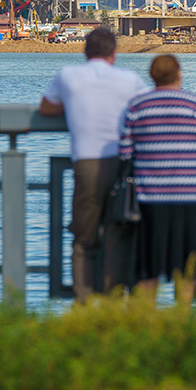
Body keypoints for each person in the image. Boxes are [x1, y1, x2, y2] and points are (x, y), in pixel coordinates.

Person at [40, 27, 147, 300]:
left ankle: (84, 298)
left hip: (86, 163)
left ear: (84, 51)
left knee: (84, 235)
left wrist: (73, 105)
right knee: (117, 232)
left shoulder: (68, 76)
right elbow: (145, 108)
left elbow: (46, 108)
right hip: (123, 164)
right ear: (115, 53)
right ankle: (114, 298)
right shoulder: (130, 80)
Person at [119, 55, 196, 301]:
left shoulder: (137, 105)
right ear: (179, 75)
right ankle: (181, 322)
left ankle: (147, 324)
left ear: (152, 77)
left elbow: (124, 152)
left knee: (148, 265)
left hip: (150, 196)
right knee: (187, 267)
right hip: (191, 196)